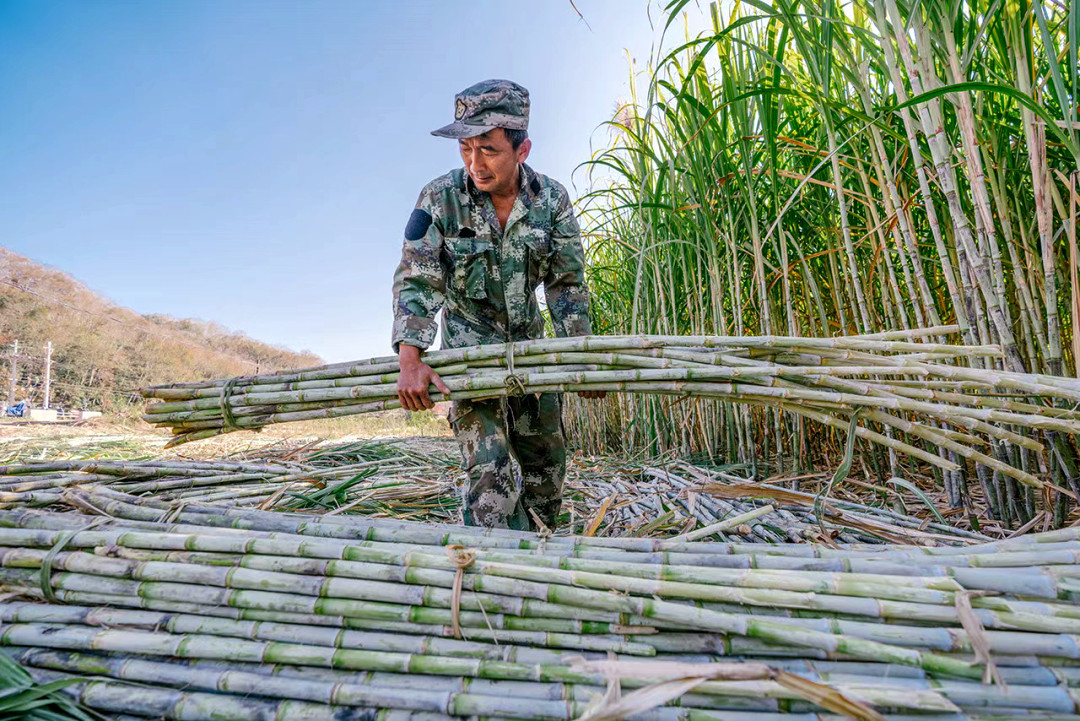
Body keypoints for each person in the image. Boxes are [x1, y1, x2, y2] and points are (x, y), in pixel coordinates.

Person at [391, 79, 603, 531]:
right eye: (465, 149)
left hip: (532, 354)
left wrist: (580, 353)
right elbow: (418, 279)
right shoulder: (439, 198)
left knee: (546, 473)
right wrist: (411, 358)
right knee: (493, 475)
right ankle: (486, 583)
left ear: (521, 150)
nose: (475, 164)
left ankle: (536, 569)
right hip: (469, 359)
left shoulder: (552, 200)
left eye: (488, 149)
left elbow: (566, 285)